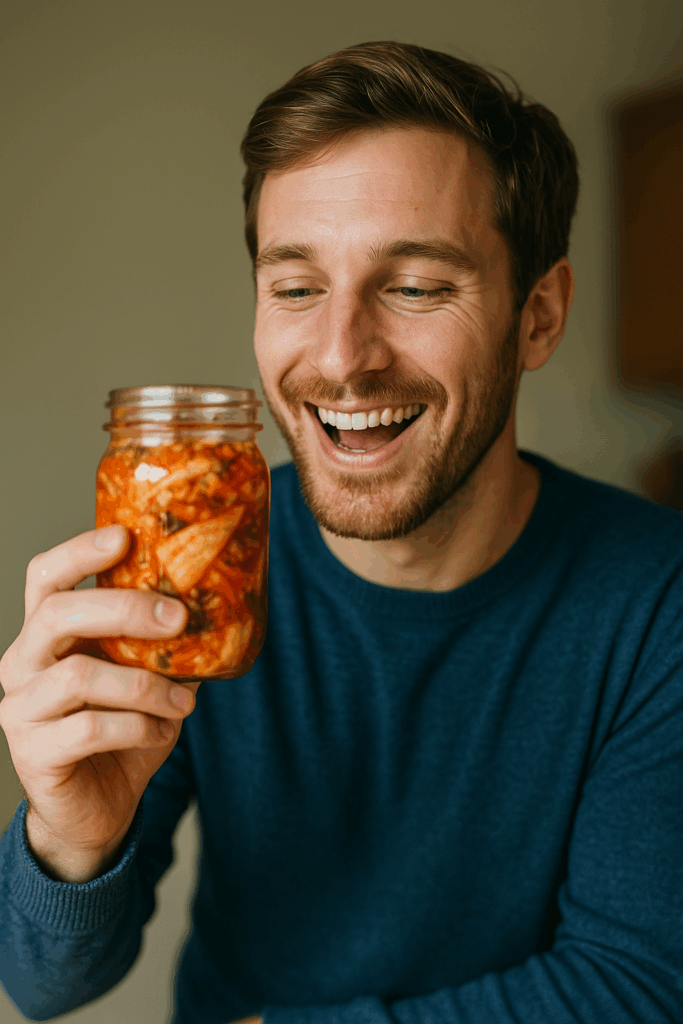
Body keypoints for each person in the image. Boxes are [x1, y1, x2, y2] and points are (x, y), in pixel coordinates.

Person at [1, 39, 682, 1024]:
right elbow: (44, 984)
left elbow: (637, 989)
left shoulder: (656, 599)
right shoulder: (203, 564)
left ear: (536, 317)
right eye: (295, 287)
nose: (340, 358)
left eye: (412, 286)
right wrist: (69, 842)